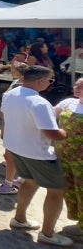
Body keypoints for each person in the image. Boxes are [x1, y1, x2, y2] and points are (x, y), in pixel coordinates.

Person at [1, 66, 72, 247]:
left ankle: (20, 218)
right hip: (37, 153)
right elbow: (52, 134)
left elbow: (4, 115)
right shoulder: (39, 103)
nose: (50, 84)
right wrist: (66, 132)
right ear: (40, 80)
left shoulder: (11, 93)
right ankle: (48, 233)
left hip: (16, 147)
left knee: (29, 182)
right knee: (56, 191)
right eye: (50, 80)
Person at [53, 78, 83, 238]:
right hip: (63, 155)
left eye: (82, 86)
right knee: (69, 188)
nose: (77, 88)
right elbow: (49, 114)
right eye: (76, 85)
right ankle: (78, 221)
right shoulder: (69, 102)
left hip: (81, 159)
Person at [0, 61, 28, 195]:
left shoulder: (19, 86)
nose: (11, 71)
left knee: (11, 155)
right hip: (12, 123)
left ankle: (10, 183)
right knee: (11, 155)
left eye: (14, 70)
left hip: (15, 124)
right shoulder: (17, 83)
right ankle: (19, 179)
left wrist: (4, 126)